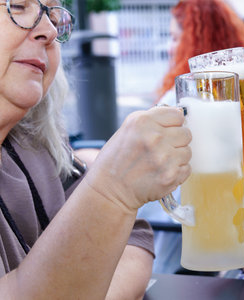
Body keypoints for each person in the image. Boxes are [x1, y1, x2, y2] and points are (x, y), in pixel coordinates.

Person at [0, 0, 191, 298]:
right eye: (18, 5)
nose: (49, 30)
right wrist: (112, 189)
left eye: (52, 15)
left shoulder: (35, 144)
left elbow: (134, 239)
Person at [157, 0, 244, 105]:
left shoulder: (184, 96)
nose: (169, 49)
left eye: (175, 38)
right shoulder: (242, 85)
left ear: (195, 43)